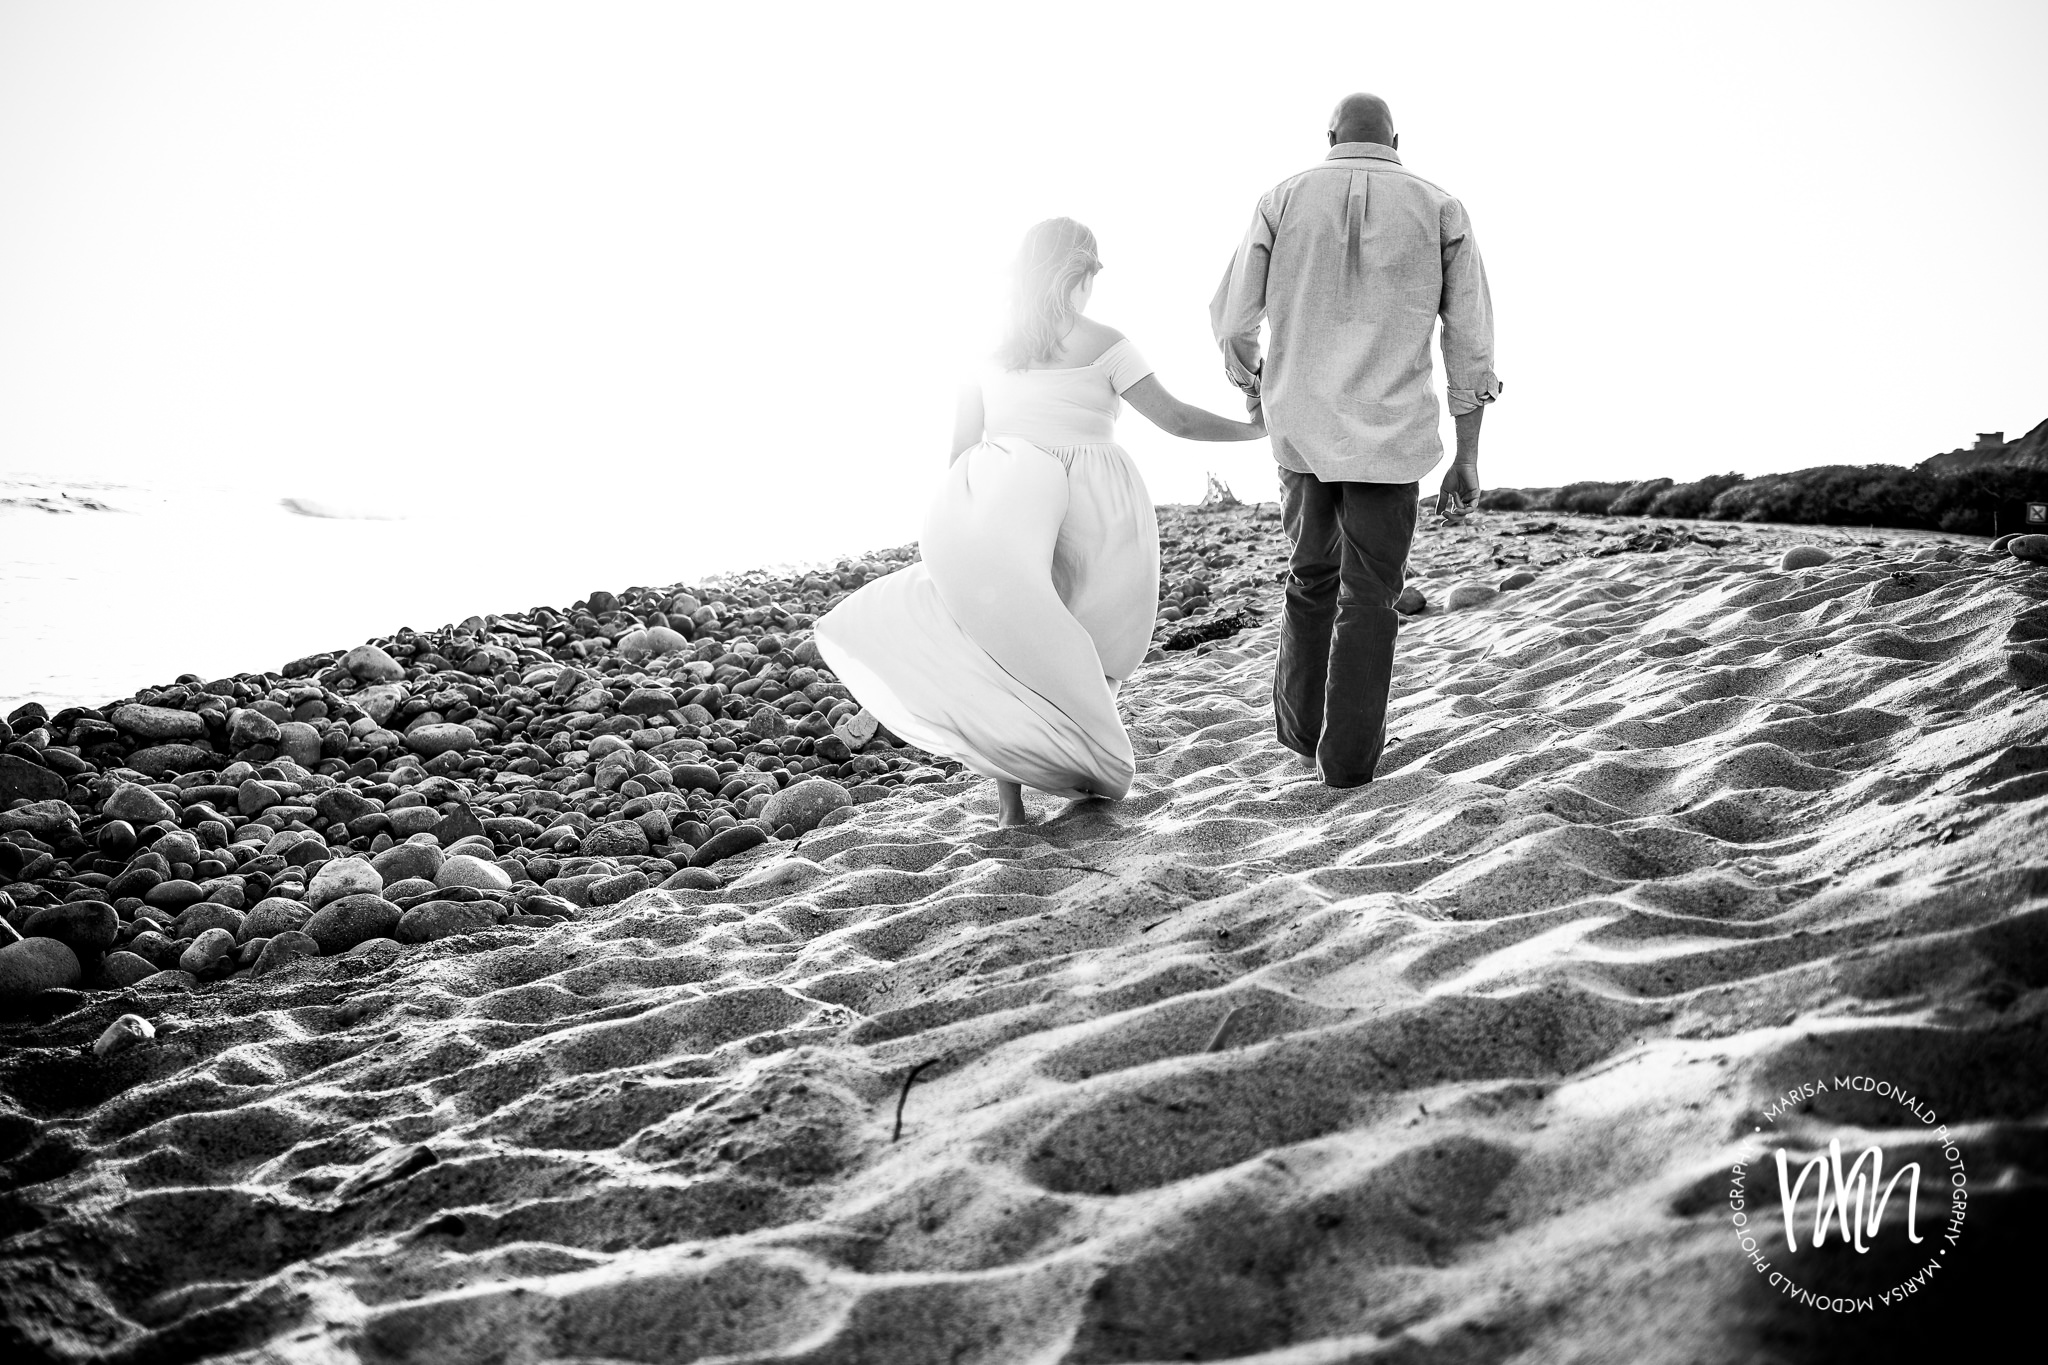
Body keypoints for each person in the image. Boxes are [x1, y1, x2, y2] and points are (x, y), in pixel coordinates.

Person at [816, 218, 1266, 826]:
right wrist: (1255, 429)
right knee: (1098, 635)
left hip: (1005, 496)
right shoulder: (1107, 341)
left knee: (1006, 642)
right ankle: (1087, 767)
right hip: (1096, 500)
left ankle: (1012, 807)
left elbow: (958, 453)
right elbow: (1178, 422)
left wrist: (967, 525)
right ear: (1082, 272)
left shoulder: (984, 348)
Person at [1211, 92, 1501, 788]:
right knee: (1371, 597)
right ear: (1397, 138)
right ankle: (1347, 764)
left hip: (1302, 433)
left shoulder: (1281, 199)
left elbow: (1232, 321)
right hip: (1391, 437)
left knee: (1309, 578)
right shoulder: (1441, 207)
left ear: (1330, 134)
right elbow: (1471, 342)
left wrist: (1256, 386)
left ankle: (1301, 730)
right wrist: (1468, 455)